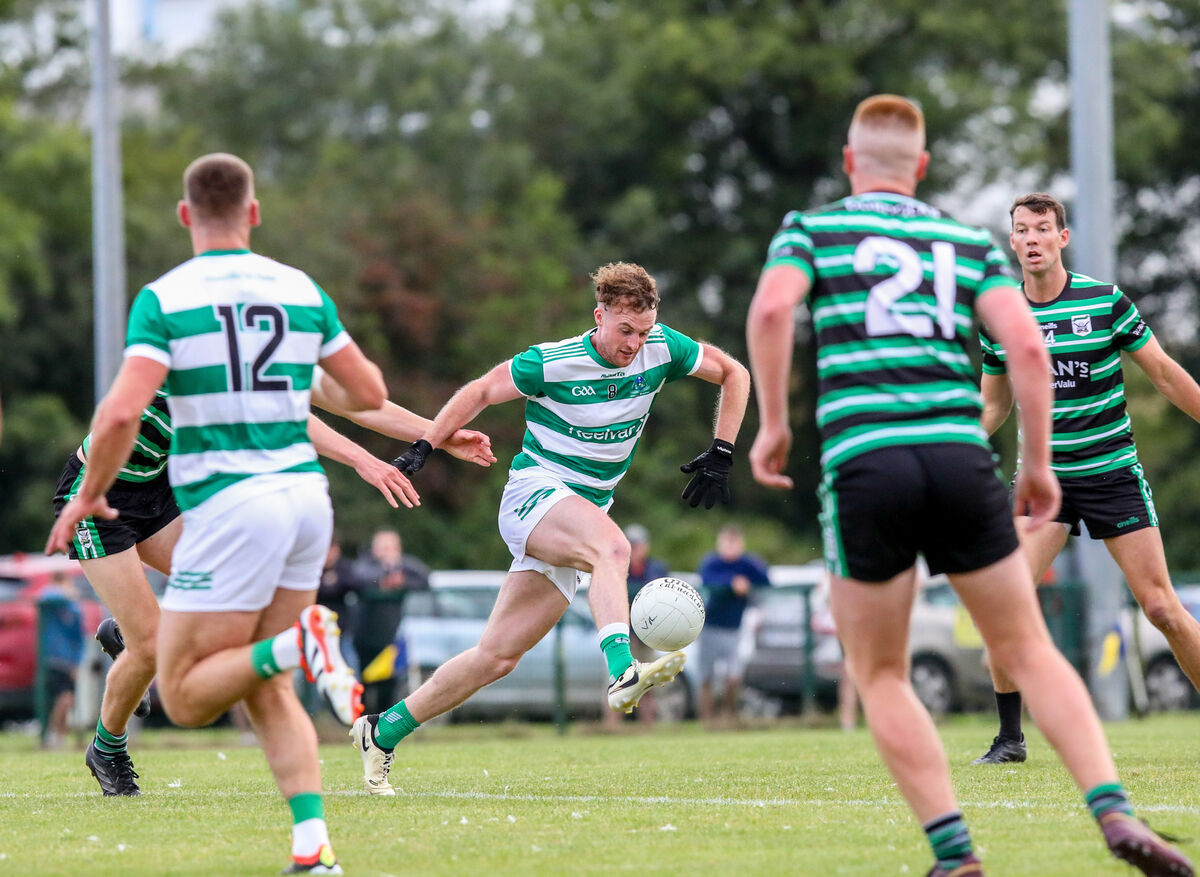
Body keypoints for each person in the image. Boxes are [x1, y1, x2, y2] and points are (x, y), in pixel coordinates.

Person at [745, 95, 1190, 877]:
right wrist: (1039, 464)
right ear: (921, 169)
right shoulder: (964, 241)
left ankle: (955, 853)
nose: (1025, 239)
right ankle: (1110, 808)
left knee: (879, 670)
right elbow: (1021, 346)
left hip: (872, 461)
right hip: (961, 457)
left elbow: (775, 306)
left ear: (851, 164)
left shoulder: (811, 228)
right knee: (1025, 640)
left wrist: (774, 424)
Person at [48, 152, 421, 875]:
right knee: (157, 649)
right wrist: (90, 494)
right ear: (254, 214)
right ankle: (110, 743)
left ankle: (135, 650)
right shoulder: (286, 296)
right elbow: (350, 392)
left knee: (172, 652)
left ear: (187, 216)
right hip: (117, 491)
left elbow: (314, 404)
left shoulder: (175, 302)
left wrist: (416, 436)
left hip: (170, 493)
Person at [350, 260, 750, 795]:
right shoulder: (552, 362)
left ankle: (381, 731)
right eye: (624, 330)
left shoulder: (663, 349)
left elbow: (734, 373)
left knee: (496, 657)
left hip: (582, 510)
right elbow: (481, 390)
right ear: (599, 316)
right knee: (613, 547)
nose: (634, 343)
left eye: (644, 331)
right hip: (533, 494)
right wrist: (426, 446)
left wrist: (722, 451)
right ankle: (622, 671)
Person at [50, 385, 492, 800]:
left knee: (231, 596)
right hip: (96, 496)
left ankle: (138, 638)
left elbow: (354, 402)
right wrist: (365, 460)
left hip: (158, 490)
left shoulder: (263, 348)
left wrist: (436, 437)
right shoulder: (203, 354)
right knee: (150, 649)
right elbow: (293, 417)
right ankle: (108, 746)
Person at [971, 192, 1200, 766]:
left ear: (1062, 238)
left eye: (1041, 228)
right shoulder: (1001, 317)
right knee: (1005, 598)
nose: (1030, 238)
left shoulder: (1104, 301)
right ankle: (1009, 738)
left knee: (1161, 608)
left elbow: (1168, 377)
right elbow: (993, 407)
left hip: (1112, 474)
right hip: (1043, 484)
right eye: (1020, 229)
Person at [695, 524, 770, 724]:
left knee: (734, 676)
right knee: (705, 677)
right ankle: (707, 720)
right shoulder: (712, 563)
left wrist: (749, 580)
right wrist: (732, 584)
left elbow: (765, 580)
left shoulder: (746, 564)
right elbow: (708, 580)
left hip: (735, 629)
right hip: (710, 627)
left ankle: (728, 715)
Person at [352, 528, 430, 714]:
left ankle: (382, 726)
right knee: (361, 685)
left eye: (391, 547)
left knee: (387, 686)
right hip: (363, 638)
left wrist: (400, 579)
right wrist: (384, 574)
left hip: (390, 638)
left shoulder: (404, 566)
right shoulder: (365, 566)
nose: (387, 552)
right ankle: (359, 724)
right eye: (383, 547)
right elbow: (359, 579)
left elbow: (425, 578)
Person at [603, 522, 670, 726]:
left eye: (638, 544)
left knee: (648, 682)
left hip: (648, 634)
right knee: (617, 683)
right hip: (623, 634)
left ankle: (647, 728)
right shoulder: (617, 566)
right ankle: (611, 727)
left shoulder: (656, 567)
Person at [38, 571, 85, 748]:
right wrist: (64, 593)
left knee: (67, 700)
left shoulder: (74, 608)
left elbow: (79, 638)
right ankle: (54, 734)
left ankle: (58, 735)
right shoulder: (52, 601)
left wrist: (77, 663)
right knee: (64, 698)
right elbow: (45, 596)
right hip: (52, 658)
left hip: (69, 661)